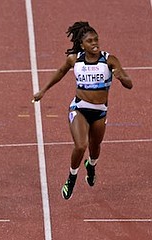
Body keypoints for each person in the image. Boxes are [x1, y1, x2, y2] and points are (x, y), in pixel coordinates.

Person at [32, 21, 133, 200]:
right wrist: (43, 90)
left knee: (95, 148)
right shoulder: (75, 59)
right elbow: (60, 72)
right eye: (90, 41)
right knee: (81, 145)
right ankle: (71, 177)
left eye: (96, 39)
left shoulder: (109, 59)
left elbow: (129, 84)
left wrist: (121, 77)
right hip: (79, 108)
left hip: (100, 111)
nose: (95, 43)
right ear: (82, 44)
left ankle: (91, 165)